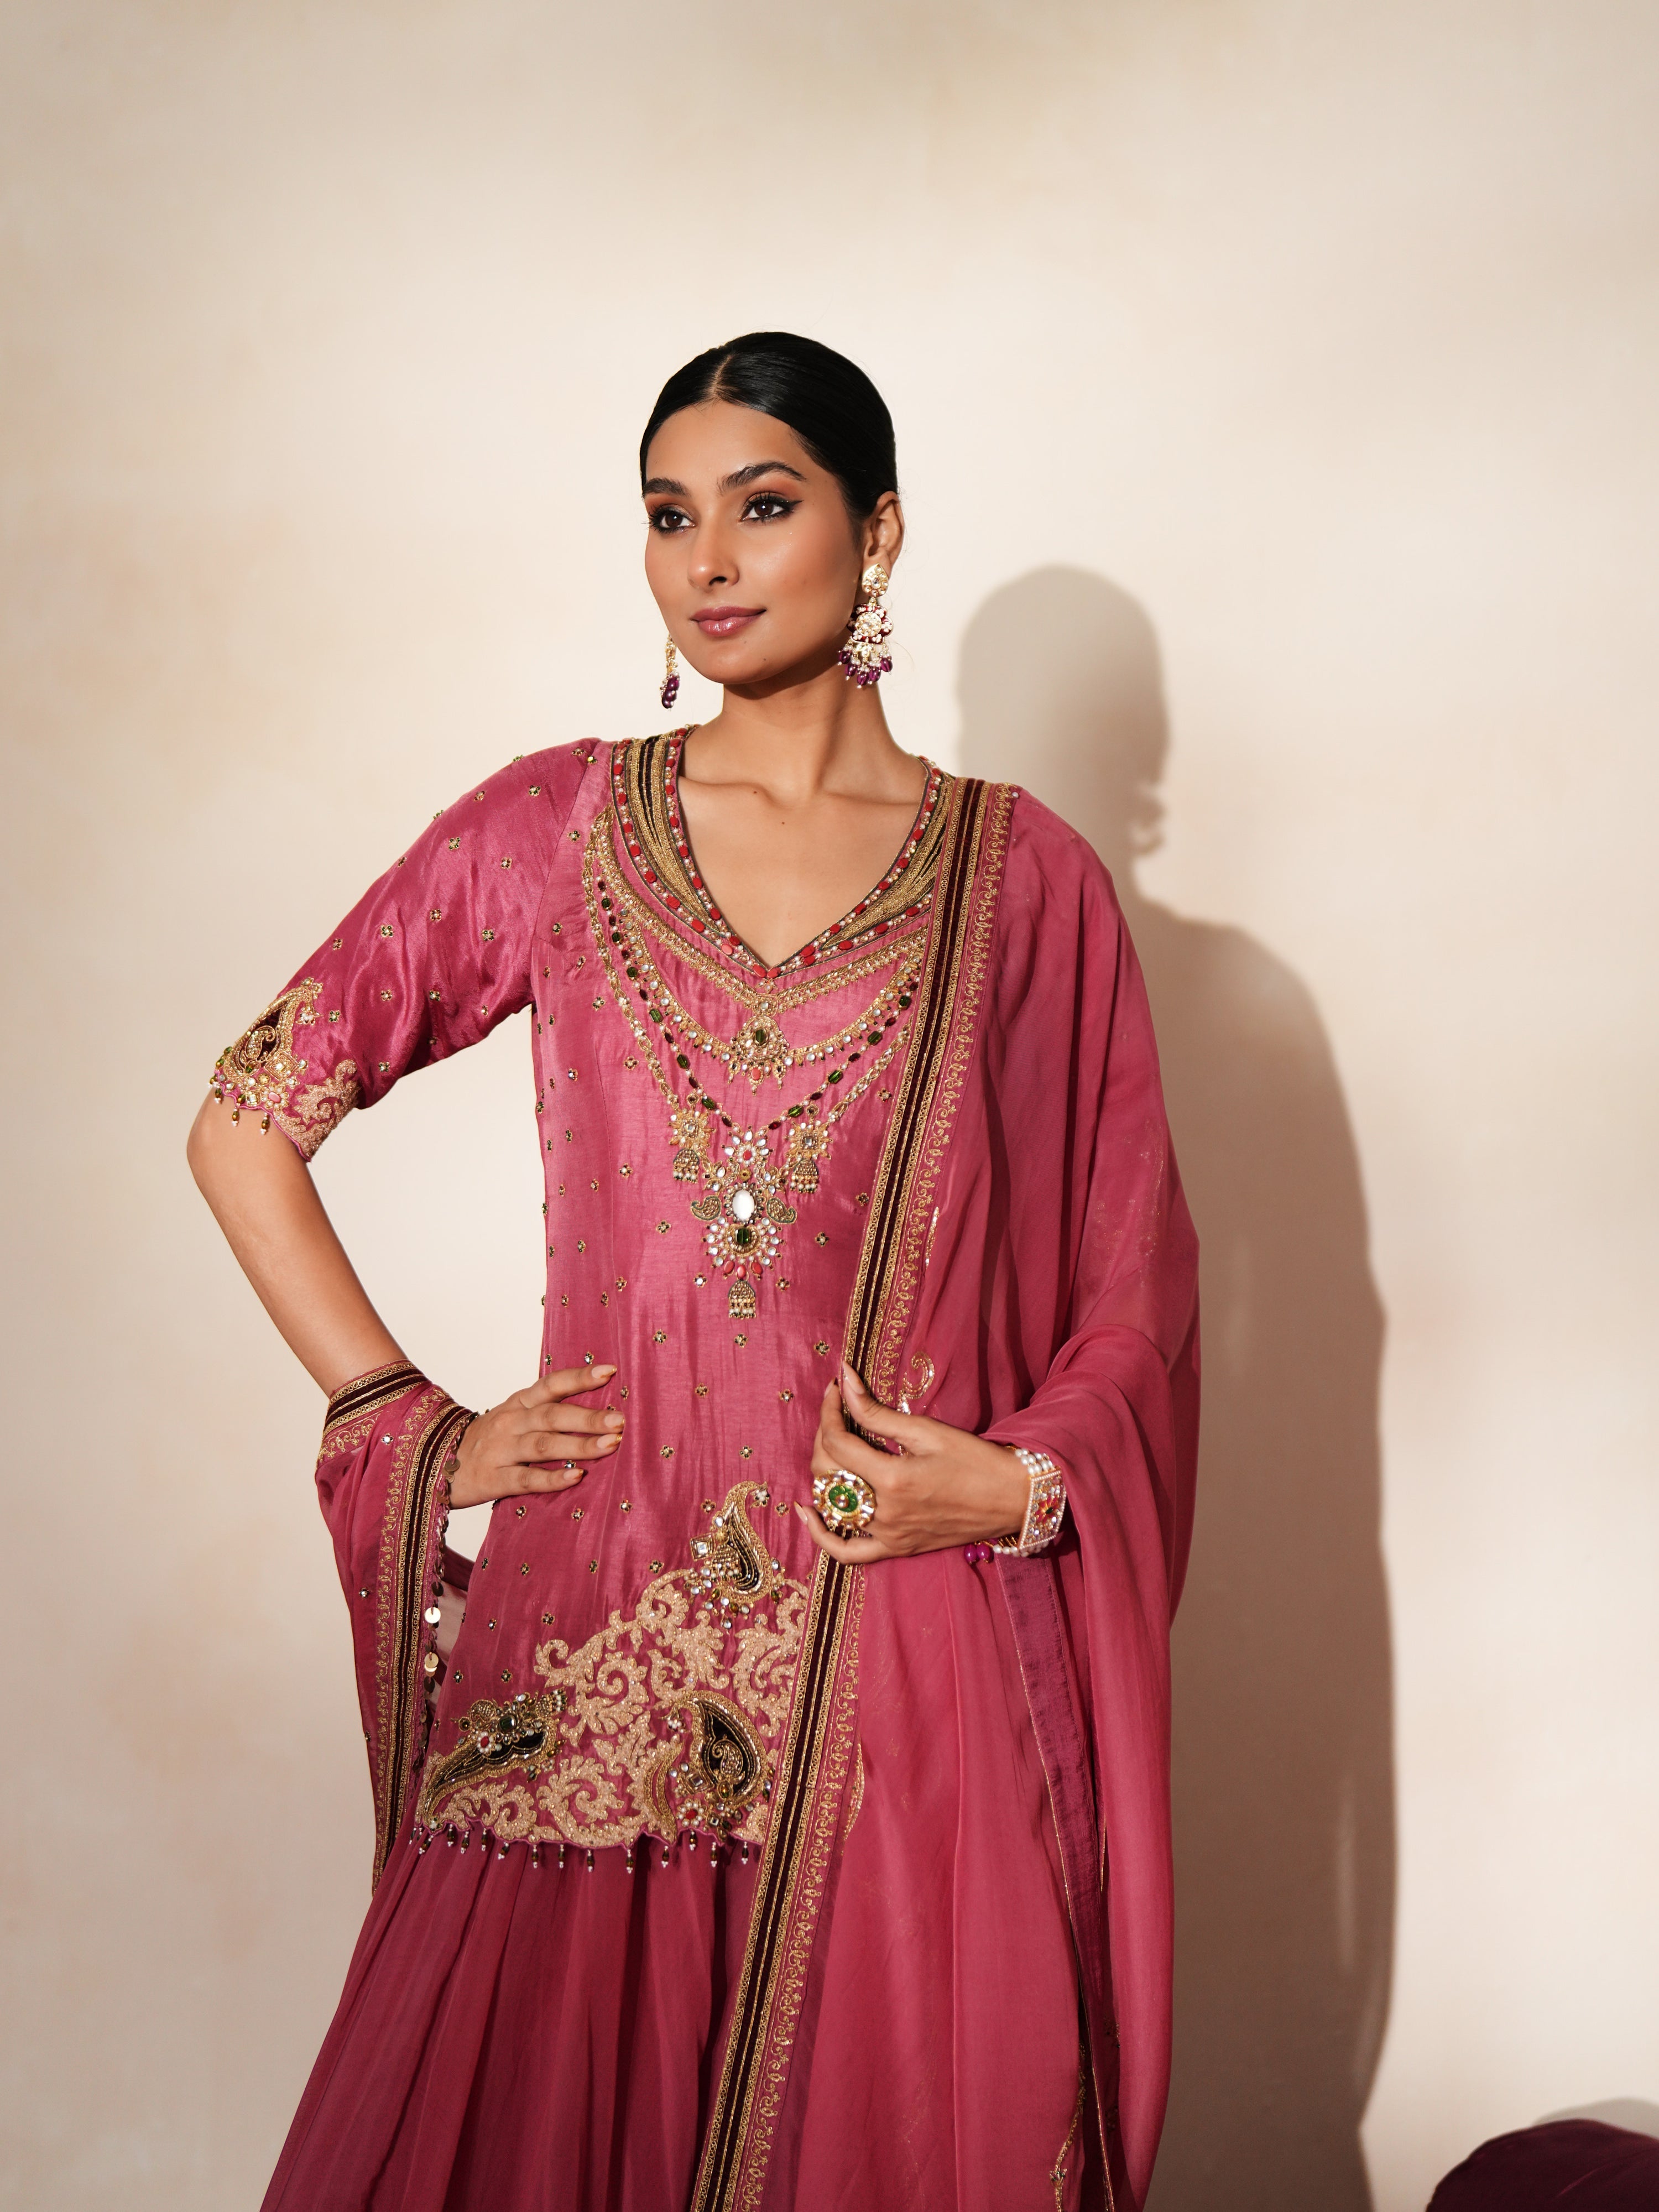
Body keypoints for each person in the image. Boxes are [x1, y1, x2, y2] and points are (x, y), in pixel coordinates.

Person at [188, 331, 1199, 2212]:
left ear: (876, 533)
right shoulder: (554, 830)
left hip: (899, 1641)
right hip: (593, 1639)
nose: (710, 560)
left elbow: (1132, 1289)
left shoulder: (1023, 881)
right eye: (671, 516)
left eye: (765, 505)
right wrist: (397, 1416)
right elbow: (247, 1115)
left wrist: (1029, 1476)